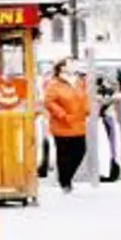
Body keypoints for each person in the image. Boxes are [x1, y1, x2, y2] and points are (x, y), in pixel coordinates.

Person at [43, 59, 91, 193]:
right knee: (63, 153)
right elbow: (48, 102)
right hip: (62, 124)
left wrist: (87, 110)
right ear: (62, 68)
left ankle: (67, 177)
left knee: (80, 151)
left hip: (78, 122)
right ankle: (65, 181)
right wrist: (62, 115)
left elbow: (84, 97)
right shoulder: (54, 84)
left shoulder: (79, 82)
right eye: (71, 63)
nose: (74, 66)